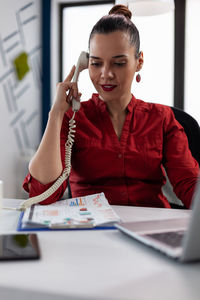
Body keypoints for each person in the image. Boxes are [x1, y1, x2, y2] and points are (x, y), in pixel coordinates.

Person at [23, 4, 199, 208]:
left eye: (119, 63)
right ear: (85, 64)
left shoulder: (162, 118)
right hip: (91, 230)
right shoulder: (73, 118)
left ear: (139, 62)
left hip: (150, 226)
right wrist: (56, 113)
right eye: (96, 63)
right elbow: (43, 196)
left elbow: (189, 185)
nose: (106, 74)